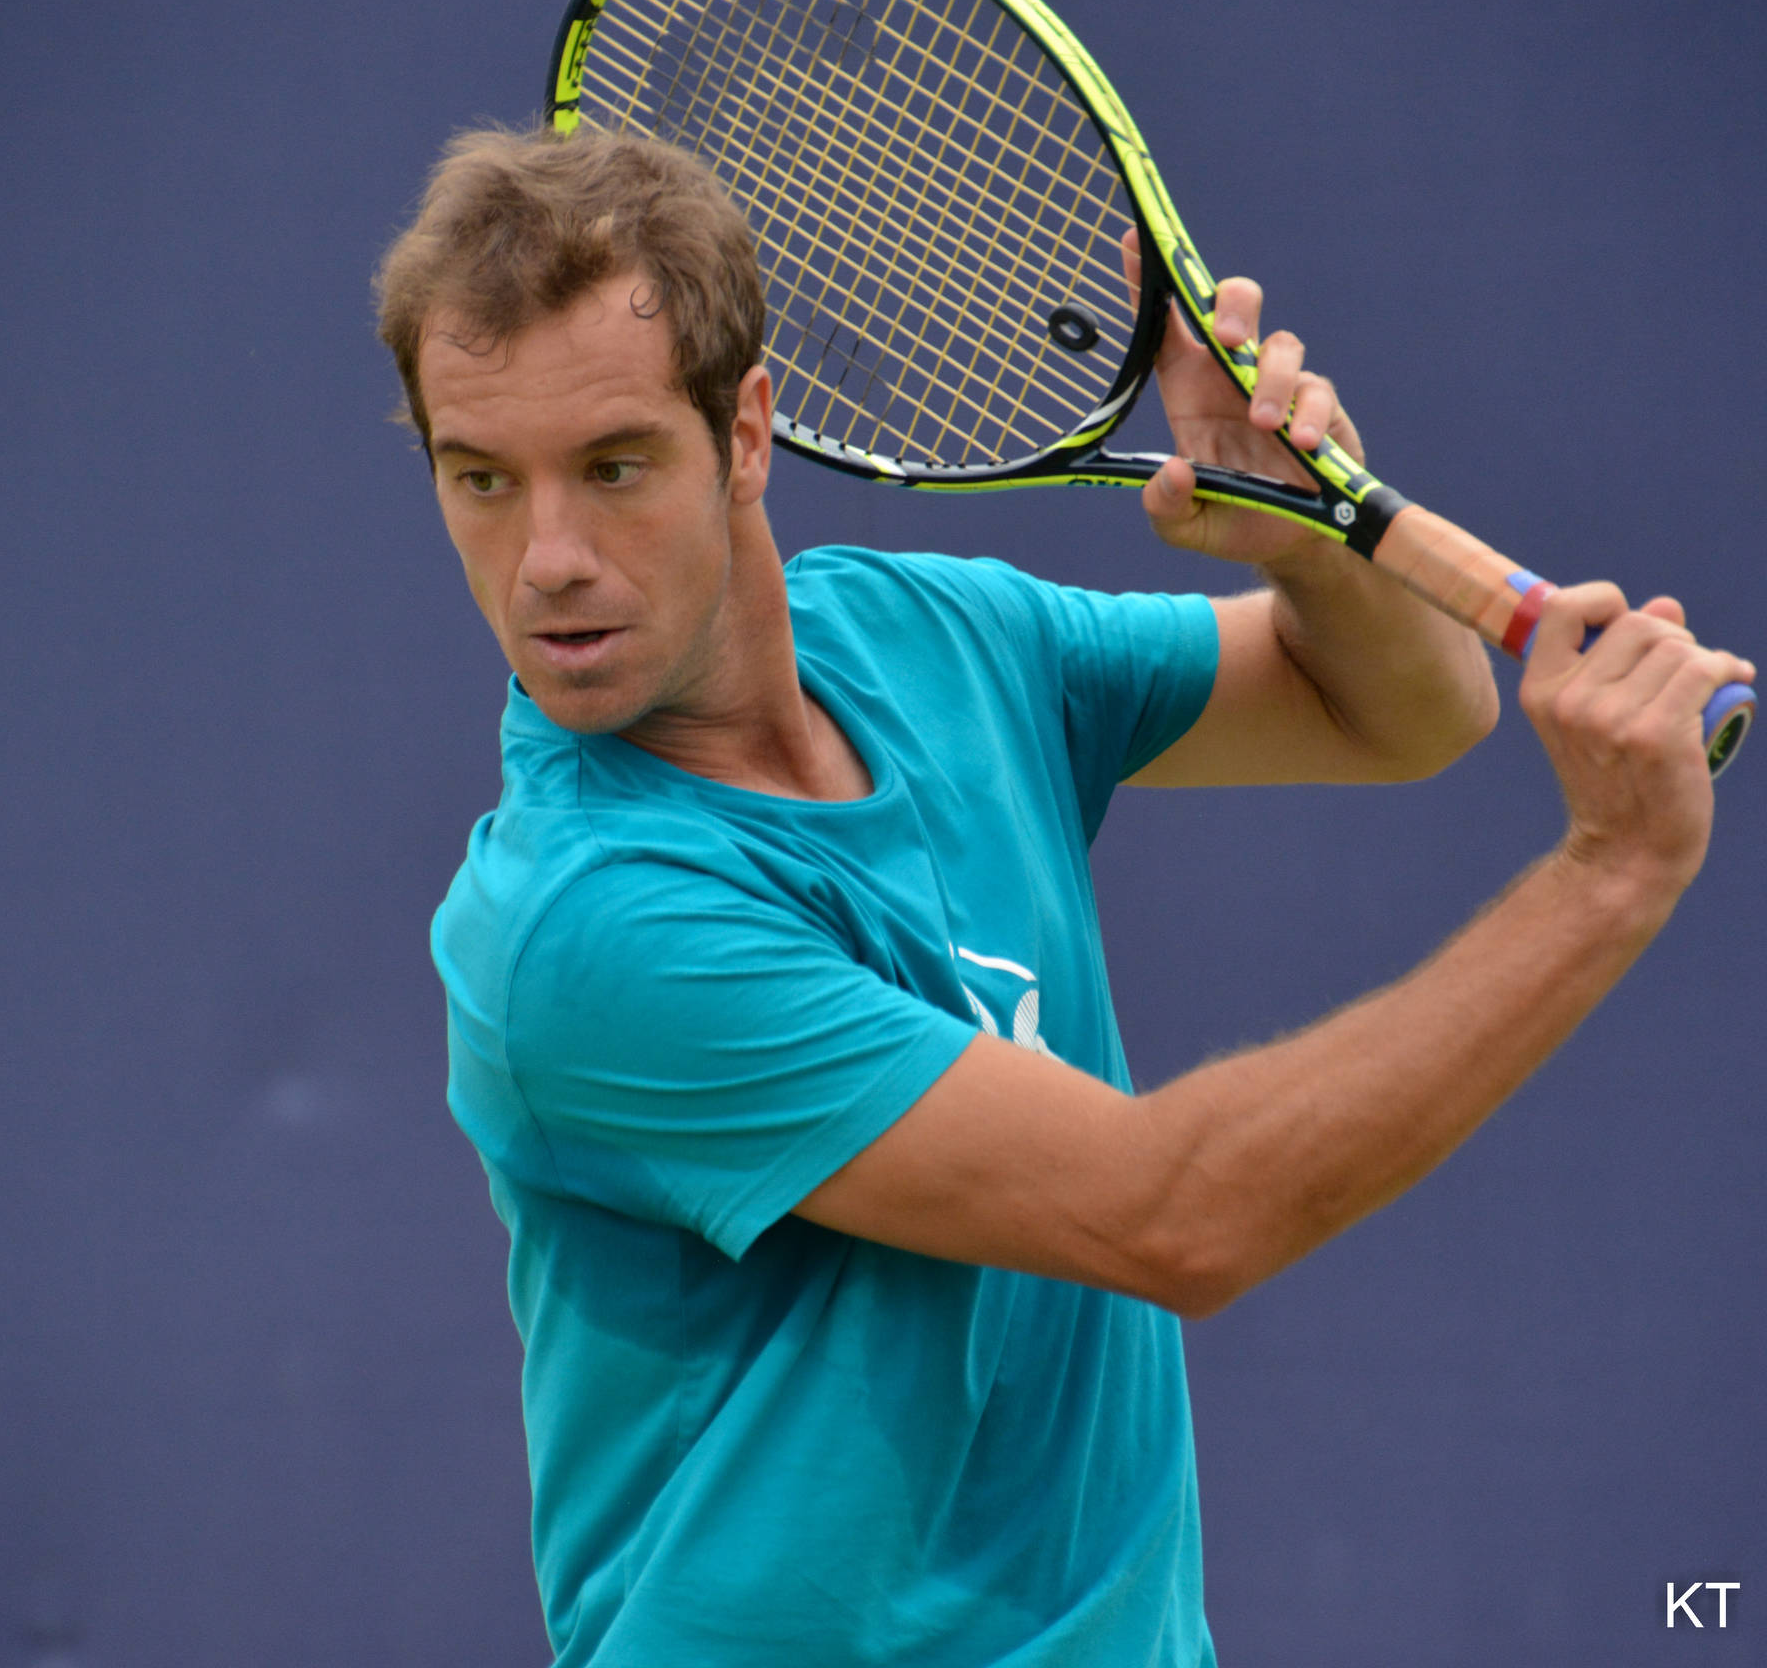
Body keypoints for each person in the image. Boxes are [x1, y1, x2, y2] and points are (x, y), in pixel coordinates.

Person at [374, 127, 1752, 1667]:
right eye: (480, 479)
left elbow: (1406, 709)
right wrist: (1613, 874)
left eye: (613, 466)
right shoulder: (583, 926)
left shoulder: (925, 635)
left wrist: (1308, 542)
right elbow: (1176, 1214)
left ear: (747, 432)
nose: (546, 558)